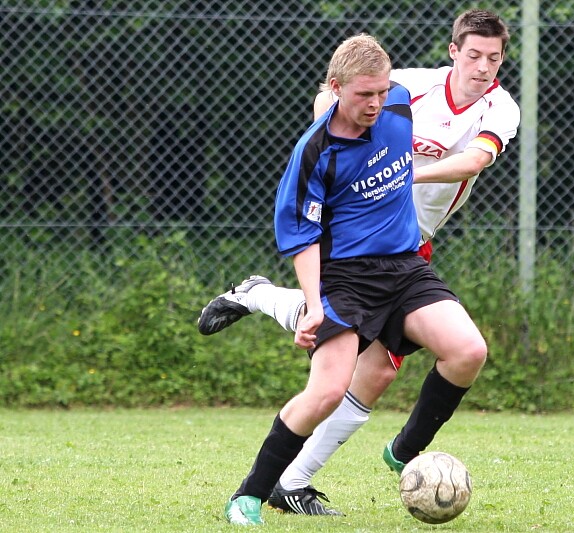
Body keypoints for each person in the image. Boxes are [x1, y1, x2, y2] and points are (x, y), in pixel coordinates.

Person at [206, 9, 518, 517]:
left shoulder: (426, 102)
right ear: (453, 52)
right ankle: (251, 493)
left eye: (494, 58)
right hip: (348, 263)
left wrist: (404, 172)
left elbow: (475, 160)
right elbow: (304, 232)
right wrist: (334, 138)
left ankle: (375, 459)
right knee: (329, 386)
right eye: (474, 54)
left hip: (408, 255)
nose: (483, 66)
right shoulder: (343, 134)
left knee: (459, 353)